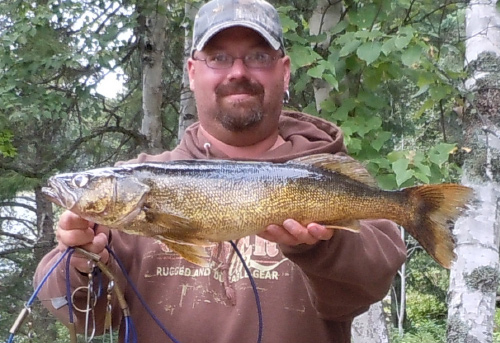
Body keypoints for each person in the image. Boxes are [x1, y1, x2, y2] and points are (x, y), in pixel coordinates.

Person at [34, 0, 407, 342]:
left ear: (285, 71)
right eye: (218, 58)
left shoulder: (323, 171)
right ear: (193, 72)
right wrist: (79, 260)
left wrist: (323, 246)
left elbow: (369, 285)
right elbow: (84, 318)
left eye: (258, 56)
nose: (238, 72)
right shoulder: (136, 183)